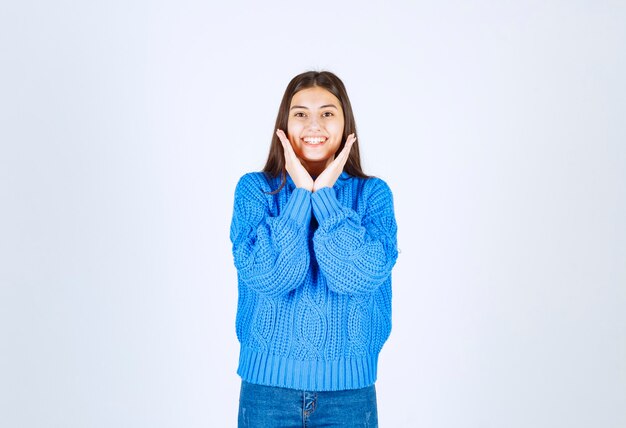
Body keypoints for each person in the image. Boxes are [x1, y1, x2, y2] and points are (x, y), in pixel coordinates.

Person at [230, 70, 398, 427]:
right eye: (301, 113)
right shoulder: (255, 191)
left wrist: (324, 197)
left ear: (345, 124)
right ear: (284, 124)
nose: (313, 124)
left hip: (349, 397)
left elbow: (358, 277)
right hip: (267, 393)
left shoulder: (373, 195)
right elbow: (271, 277)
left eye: (327, 112)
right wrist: (299, 197)